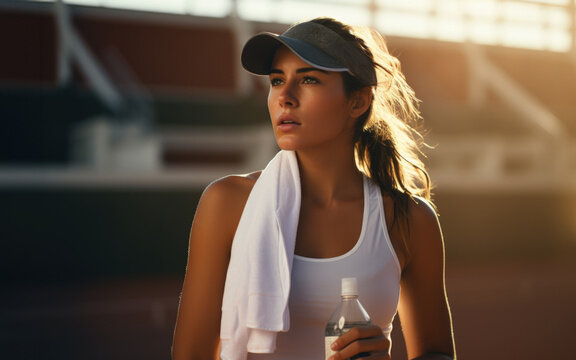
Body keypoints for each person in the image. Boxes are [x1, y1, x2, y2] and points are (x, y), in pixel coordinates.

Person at [170, 17, 455, 360]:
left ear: (358, 102)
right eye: (277, 80)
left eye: (308, 79)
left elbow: (438, 353)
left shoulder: (410, 219)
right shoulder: (227, 203)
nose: (284, 97)